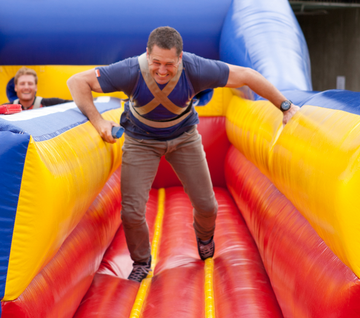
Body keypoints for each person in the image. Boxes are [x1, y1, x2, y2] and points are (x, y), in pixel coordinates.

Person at [67, 26, 299, 283]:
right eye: (156, 62)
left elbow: (246, 75)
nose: (162, 70)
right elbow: (77, 82)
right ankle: (142, 262)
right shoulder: (131, 70)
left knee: (207, 206)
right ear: (147, 54)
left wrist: (285, 106)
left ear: (181, 58)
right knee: (131, 212)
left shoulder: (196, 69)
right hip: (141, 141)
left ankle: (204, 237)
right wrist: (98, 121)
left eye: (169, 64)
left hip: (184, 138)